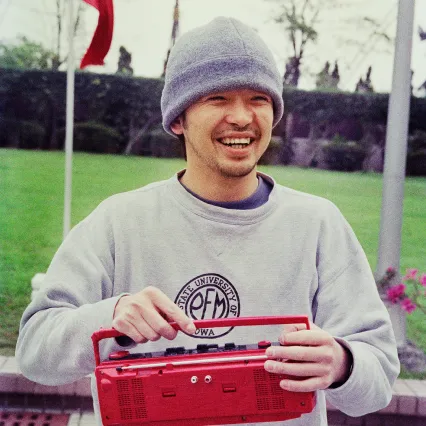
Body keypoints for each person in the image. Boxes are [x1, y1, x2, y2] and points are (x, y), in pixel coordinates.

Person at [16, 17, 399, 426]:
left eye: (258, 98)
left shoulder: (318, 224)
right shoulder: (118, 222)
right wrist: (110, 317)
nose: (242, 117)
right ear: (177, 118)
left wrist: (342, 363)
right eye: (218, 98)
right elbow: (35, 351)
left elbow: (378, 375)